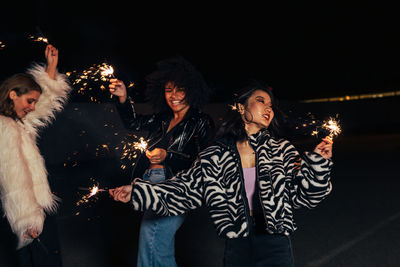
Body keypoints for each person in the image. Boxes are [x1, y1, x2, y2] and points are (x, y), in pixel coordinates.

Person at [110, 81, 334, 267]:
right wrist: (138, 191)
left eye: (271, 104)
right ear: (240, 107)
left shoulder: (282, 150)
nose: (269, 108)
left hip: (276, 243)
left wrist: (318, 165)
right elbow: (184, 190)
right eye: (260, 100)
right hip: (237, 244)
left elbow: (306, 197)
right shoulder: (216, 155)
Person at [108, 56, 215, 267]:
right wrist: (123, 98)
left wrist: (169, 156)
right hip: (149, 180)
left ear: (192, 91)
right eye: (168, 90)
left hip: (175, 186)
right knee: (152, 243)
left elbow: (207, 161)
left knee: (154, 240)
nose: (173, 96)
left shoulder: (200, 121)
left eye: (180, 89)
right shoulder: (162, 118)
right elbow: (133, 122)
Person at [0, 44, 72, 266]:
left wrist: (51, 69)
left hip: (31, 208)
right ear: (13, 94)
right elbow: (14, 178)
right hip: (24, 215)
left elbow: (44, 104)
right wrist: (28, 220)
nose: (32, 107)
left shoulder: (15, 122)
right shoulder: (6, 128)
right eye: (29, 101)